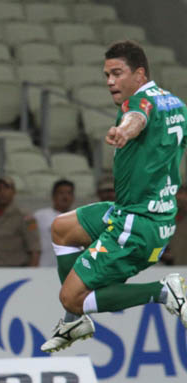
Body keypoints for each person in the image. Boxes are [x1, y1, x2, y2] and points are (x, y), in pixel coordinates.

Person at [41, 41, 187, 352]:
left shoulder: (140, 102)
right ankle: (74, 320)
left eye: (117, 73)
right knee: (61, 228)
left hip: (137, 225)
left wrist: (124, 131)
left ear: (139, 73)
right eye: (107, 74)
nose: (110, 81)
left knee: (70, 296)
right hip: (137, 211)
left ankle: (163, 291)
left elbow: (138, 118)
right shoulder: (176, 104)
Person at [0, 176, 41, 267]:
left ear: (14, 192)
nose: (2, 192)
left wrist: (32, 273)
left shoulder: (25, 216)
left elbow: (35, 248)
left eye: (6, 188)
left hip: (16, 268)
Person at [34, 179, 75, 267]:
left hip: (69, 270)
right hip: (43, 267)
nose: (65, 197)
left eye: (69, 193)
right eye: (61, 193)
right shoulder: (39, 216)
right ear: (53, 196)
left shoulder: (79, 217)